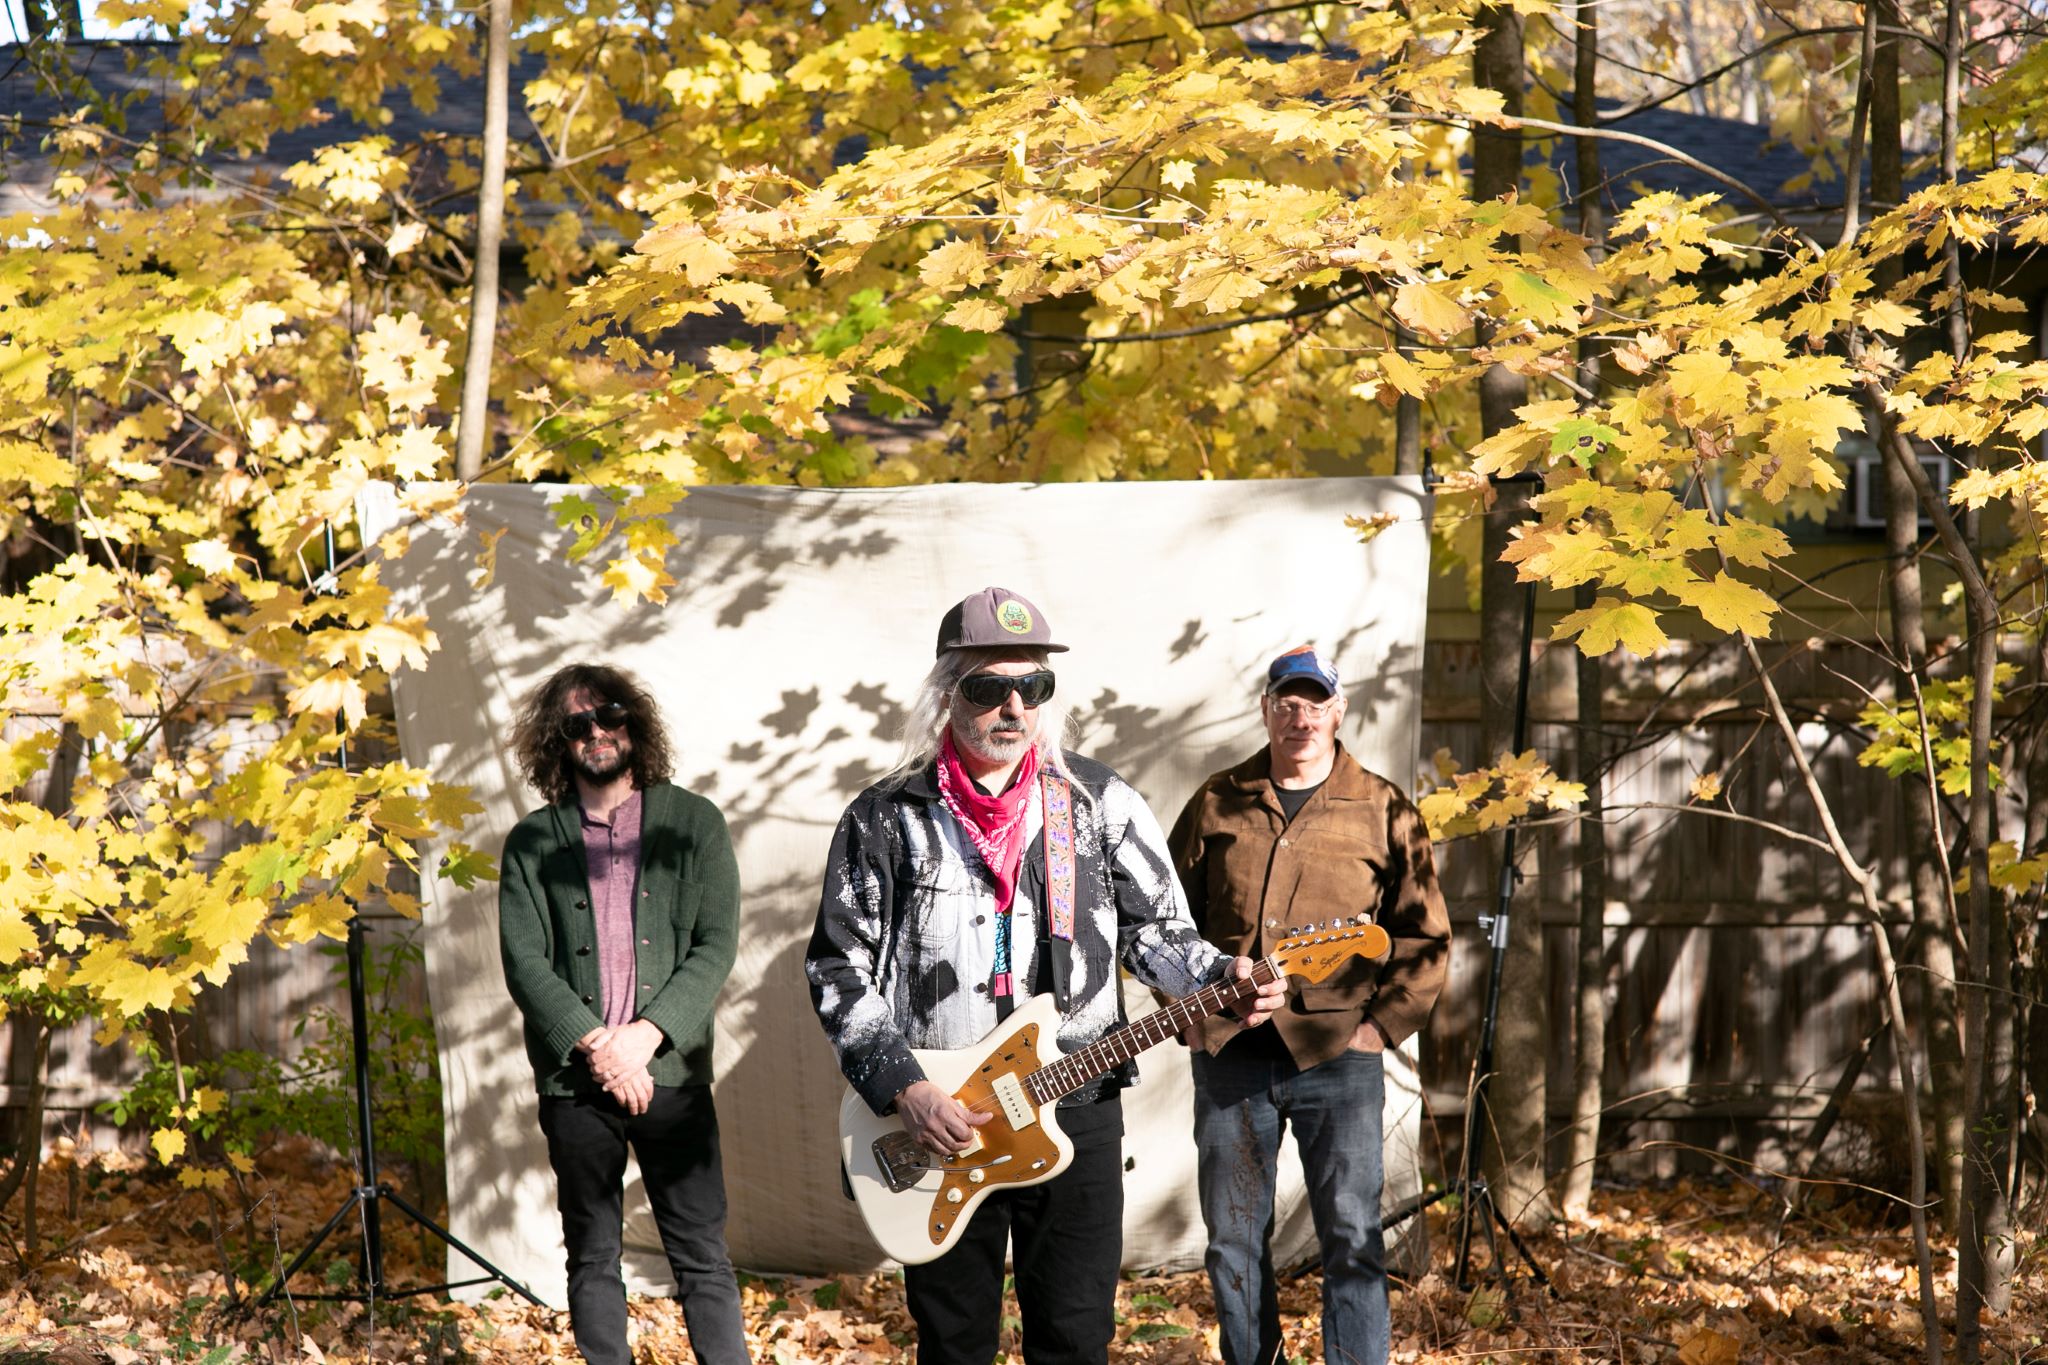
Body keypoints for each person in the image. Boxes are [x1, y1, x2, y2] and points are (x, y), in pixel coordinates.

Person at [807, 587, 1287, 1365]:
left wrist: (1221, 971)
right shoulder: (884, 816)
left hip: (1077, 1102)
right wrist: (904, 1086)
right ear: (945, 695)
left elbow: (1159, 933)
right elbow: (838, 965)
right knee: (955, 1341)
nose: (1012, 706)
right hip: (939, 1114)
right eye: (987, 687)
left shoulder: (1098, 803)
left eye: (1032, 687)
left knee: (1074, 1335)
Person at [1168, 645, 1451, 1365]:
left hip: (1337, 1059)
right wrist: (1192, 1013)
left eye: (1314, 702)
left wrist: (1378, 1028)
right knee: (1233, 1240)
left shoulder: (1385, 807)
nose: (1300, 717)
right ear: (1266, 710)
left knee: (1353, 1236)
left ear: (1339, 710)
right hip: (1232, 1056)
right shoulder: (1216, 801)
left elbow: (1425, 934)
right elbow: (1163, 924)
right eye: (1286, 703)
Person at [498, 663, 750, 1365]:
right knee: (593, 1253)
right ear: (558, 741)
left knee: (703, 1255)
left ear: (634, 721)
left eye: (609, 714)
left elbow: (716, 944)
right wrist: (599, 1049)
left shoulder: (695, 823)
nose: (597, 732)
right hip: (577, 1085)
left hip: (671, 1073)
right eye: (577, 724)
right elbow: (526, 963)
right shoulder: (532, 841)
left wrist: (642, 1038)